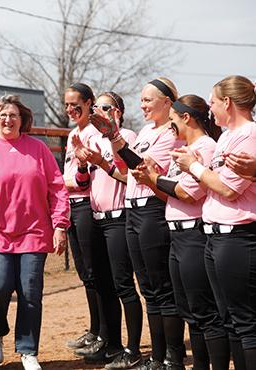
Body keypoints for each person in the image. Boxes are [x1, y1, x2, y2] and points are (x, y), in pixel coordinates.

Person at [0, 94, 70, 370]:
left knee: (30, 292)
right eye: (3, 115)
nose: (8, 120)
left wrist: (60, 225)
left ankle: (28, 350)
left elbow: (57, 189)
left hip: (33, 232)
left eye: (13, 115)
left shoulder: (38, 149)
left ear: (23, 120)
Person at [90, 78, 184, 370]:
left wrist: (116, 137)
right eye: (141, 100)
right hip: (133, 209)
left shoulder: (170, 133)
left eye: (148, 100)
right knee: (147, 288)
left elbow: (143, 168)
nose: (143, 105)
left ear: (167, 102)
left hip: (153, 210)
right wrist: (113, 147)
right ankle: (156, 357)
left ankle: (172, 358)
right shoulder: (145, 131)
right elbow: (126, 171)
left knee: (161, 287)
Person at [135, 94, 230, 369]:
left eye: (173, 120)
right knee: (189, 310)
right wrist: (151, 180)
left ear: (186, 117)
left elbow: (188, 193)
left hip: (195, 235)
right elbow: (171, 196)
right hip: (177, 235)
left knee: (205, 311)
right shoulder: (185, 149)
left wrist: (154, 179)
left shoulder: (206, 147)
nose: (170, 127)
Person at [171, 75, 256, 370]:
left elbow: (228, 188)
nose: (211, 109)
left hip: (237, 236)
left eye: (214, 102)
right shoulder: (227, 137)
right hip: (215, 235)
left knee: (245, 321)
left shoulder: (248, 134)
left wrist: (192, 166)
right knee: (229, 319)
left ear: (228, 103)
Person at [71, 91, 144, 369]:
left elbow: (132, 177)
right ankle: (111, 344)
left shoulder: (128, 137)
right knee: (102, 283)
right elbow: (82, 182)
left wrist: (104, 159)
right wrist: (80, 162)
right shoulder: (92, 138)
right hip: (97, 217)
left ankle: (133, 348)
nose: (100, 112)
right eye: (97, 108)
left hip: (119, 217)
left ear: (118, 112)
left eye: (106, 107)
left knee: (124, 284)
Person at [62, 83, 108, 356]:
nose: (70, 109)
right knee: (85, 274)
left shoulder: (95, 132)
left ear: (89, 103)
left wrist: (58, 183)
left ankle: (104, 333)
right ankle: (94, 330)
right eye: (67, 105)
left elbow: (81, 182)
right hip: (72, 207)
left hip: (88, 206)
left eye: (75, 104)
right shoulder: (72, 135)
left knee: (96, 272)